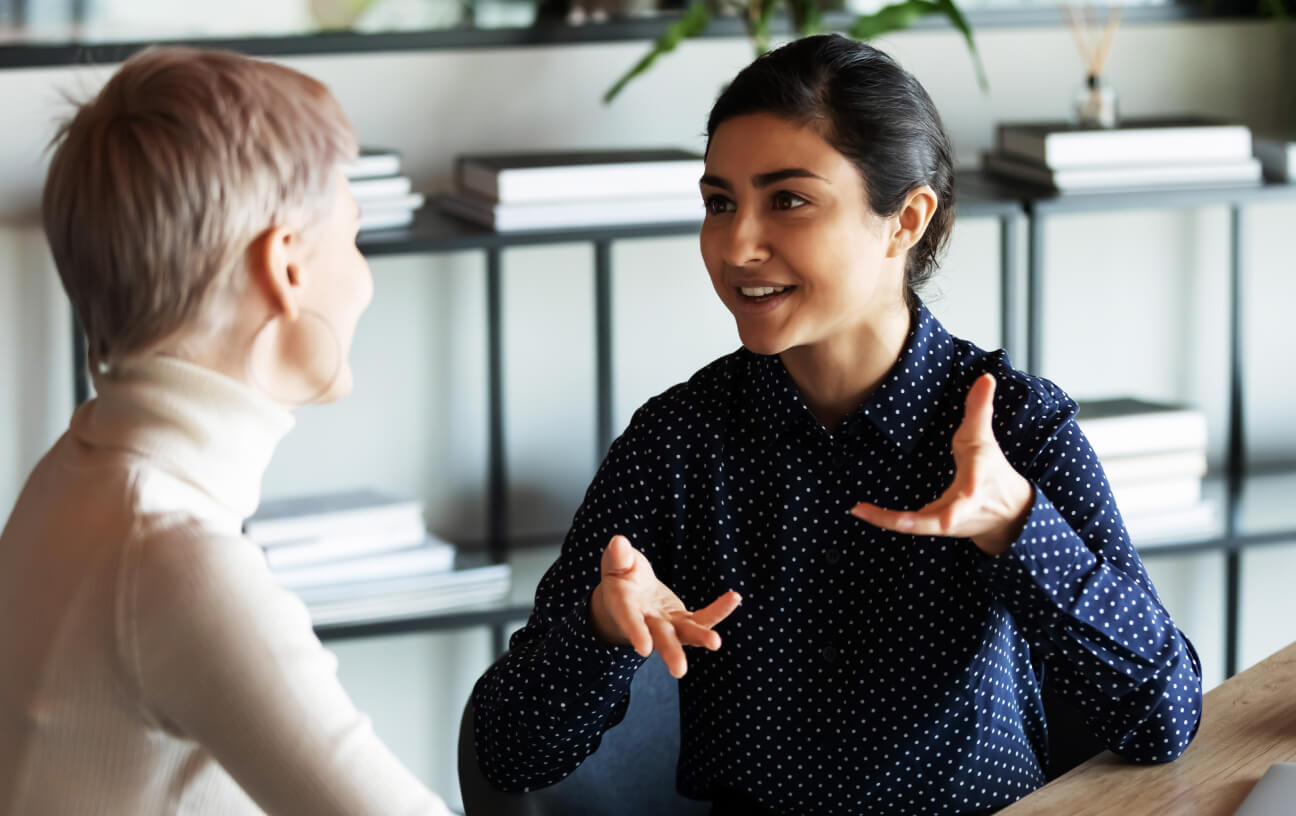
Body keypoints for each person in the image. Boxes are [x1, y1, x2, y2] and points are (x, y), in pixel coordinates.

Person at [470, 34, 1203, 816]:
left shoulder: (1016, 426)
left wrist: (1019, 528)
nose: (737, 245)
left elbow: (1165, 717)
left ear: (905, 220)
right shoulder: (677, 442)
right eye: (720, 203)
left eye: (787, 199)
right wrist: (600, 631)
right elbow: (509, 753)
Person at [0, 47, 451, 815]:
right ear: (287, 268)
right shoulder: (171, 561)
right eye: (352, 235)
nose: (365, 276)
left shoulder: (76, 472)